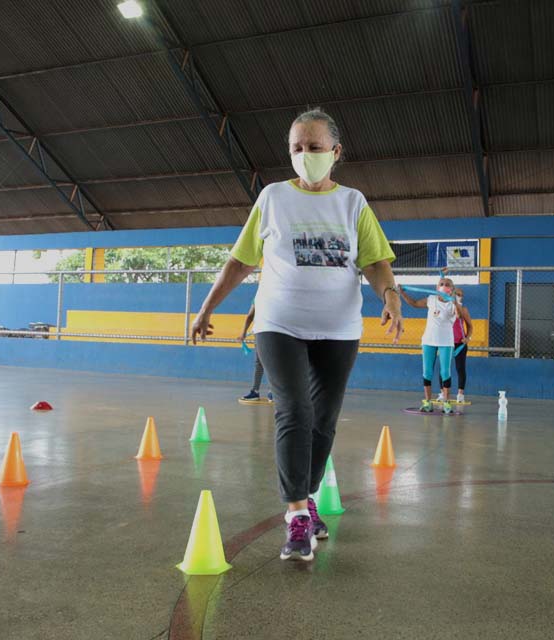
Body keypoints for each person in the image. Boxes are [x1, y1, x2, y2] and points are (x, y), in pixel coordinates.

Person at [190, 108, 403, 562]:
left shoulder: (353, 203)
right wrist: (207, 307)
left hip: (339, 328)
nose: (305, 155)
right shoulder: (272, 198)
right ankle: (296, 516)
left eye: (315, 147)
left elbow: (375, 261)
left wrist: (390, 295)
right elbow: (241, 260)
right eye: (297, 148)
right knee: (294, 408)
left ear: (336, 152)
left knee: (324, 418)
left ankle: (305, 499)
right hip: (279, 323)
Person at [400, 277, 459, 414]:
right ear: (437, 287)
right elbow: (414, 303)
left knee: (445, 372)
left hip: (446, 342)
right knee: (427, 372)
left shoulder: (453, 304)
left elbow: (459, 315)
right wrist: (403, 293)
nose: (444, 286)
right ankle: (427, 402)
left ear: (451, 289)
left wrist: (454, 301)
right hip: (428, 340)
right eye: (441, 284)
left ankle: (446, 402)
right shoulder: (431, 299)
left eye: (447, 285)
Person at [436, 287, 473, 403]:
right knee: (443, 369)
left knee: (460, 368)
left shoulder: (463, 310)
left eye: (460, 294)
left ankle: (460, 394)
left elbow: (470, 326)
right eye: (456, 293)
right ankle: (443, 393)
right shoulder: (445, 308)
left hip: (459, 343)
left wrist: (467, 338)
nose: (458, 296)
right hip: (446, 342)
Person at [237, 302, 272, 402]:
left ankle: (265, 392)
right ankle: (261, 392)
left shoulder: (259, 296)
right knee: (264, 363)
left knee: (262, 363)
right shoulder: (259, 297)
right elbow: (250, 316)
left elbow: (250, 316)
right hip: (266, 332)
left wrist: (243, 333)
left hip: (264, 333)